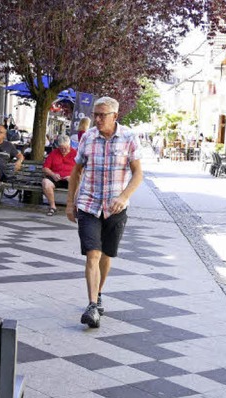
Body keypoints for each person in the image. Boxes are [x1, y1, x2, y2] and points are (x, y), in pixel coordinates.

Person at [66, 96, 143, 328]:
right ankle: (91, 305)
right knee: (93, 253)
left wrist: (124, 196)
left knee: (106, 255)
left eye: (102, 115)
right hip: (89, 204)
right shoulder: (88, 137)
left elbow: (138, 174)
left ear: (115, 116)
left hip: (115, 207)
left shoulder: (129, 137)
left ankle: (98, 294)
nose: (97, 119)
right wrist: (70, 203)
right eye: (95, 114)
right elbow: (76, 171)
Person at [42, 134, 76, 216]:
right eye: (61, 148)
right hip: (57, 178)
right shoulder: (54, 153)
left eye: (66, 148)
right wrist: (53, 174)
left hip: (71, 179)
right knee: (45, 182)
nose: (63, 150)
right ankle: (53, 207)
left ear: (69, 145)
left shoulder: (75, 154)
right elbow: (45, 168)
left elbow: (82, 170)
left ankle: (75, 208)